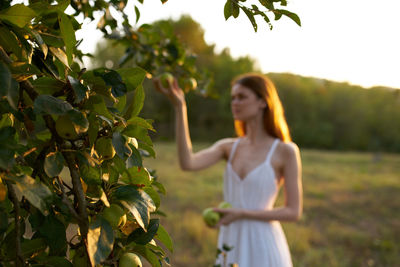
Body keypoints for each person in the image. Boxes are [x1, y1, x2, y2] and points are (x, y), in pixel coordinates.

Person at [154, 73, 303, 267]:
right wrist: (180, 107)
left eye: (242, 97)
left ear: (262, 102)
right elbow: (188, 163)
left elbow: (293, 212)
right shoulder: (228, 147)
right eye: (233, 98)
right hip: (230, 239)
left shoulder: (285, 151)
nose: (235, 102)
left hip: (263, 243)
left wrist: (242, 213)